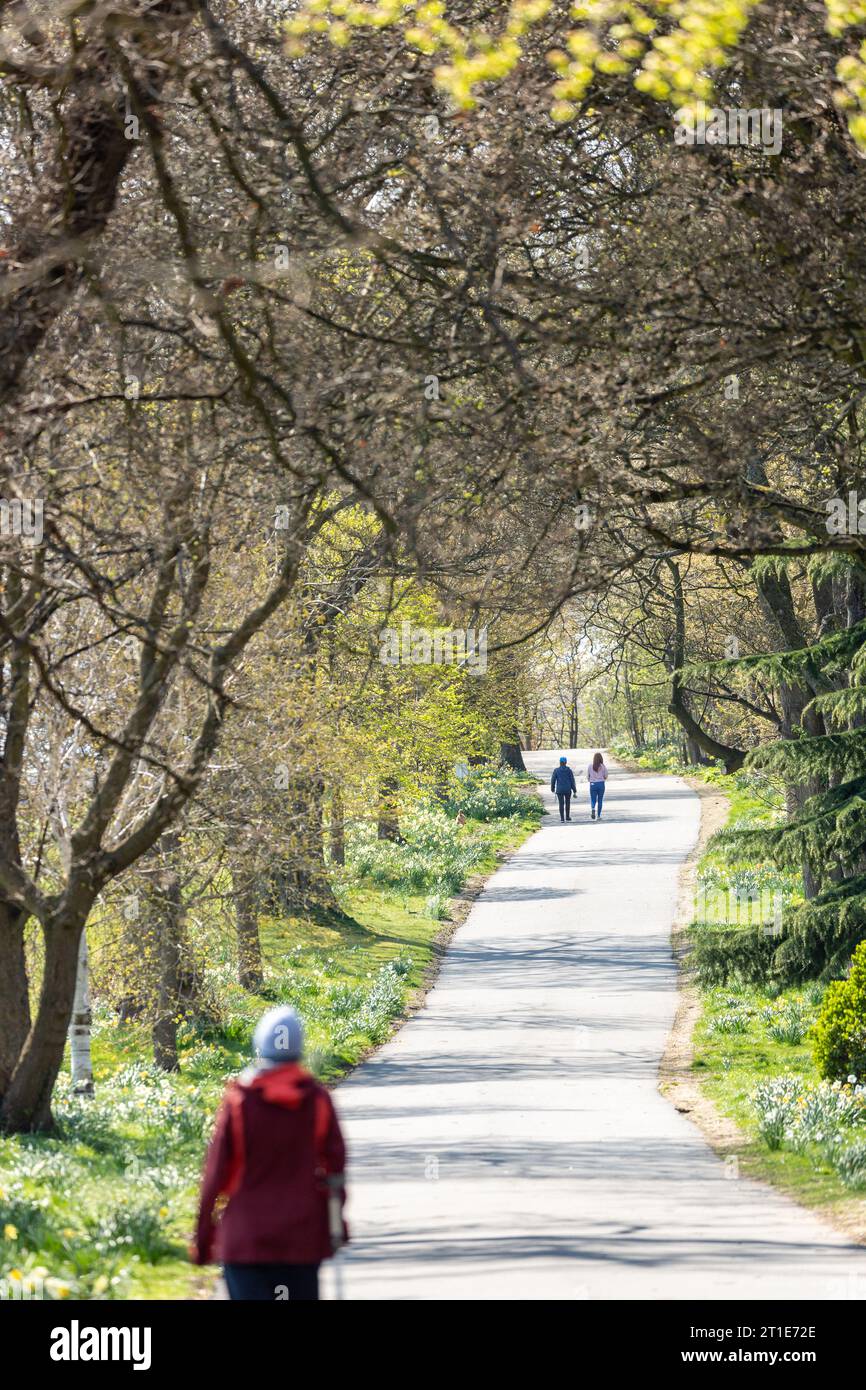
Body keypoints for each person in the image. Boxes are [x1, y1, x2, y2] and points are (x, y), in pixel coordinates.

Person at [190, 1005, 347, 1301]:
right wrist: (338, 1225)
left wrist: (203, 1238)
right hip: (301, 1240)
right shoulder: (317, 1099)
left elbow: (214, 1176)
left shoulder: (239, 1103)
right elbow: (335, 1169)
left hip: (246, 1239)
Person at [550, 755, 577, 822]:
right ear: (566, 762)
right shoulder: (569, 770)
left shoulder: (556, 770)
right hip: (568, 789)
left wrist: (552, 788)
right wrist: (574, 790)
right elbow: (572, 780)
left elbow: (553, 780)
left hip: (559, 790)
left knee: (561, 803)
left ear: (560, 762)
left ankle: (562, 818)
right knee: (567, 803)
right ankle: (567, 817)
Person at [588, 751, 608, 819]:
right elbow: (606, 776)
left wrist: (591, 780)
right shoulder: (603, 766)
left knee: (593, 799)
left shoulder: (590, 766)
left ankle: (593, 808)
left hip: (593, 784)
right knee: (600, 800)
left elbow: (588, 777)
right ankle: (598, 816)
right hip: (601, 784)